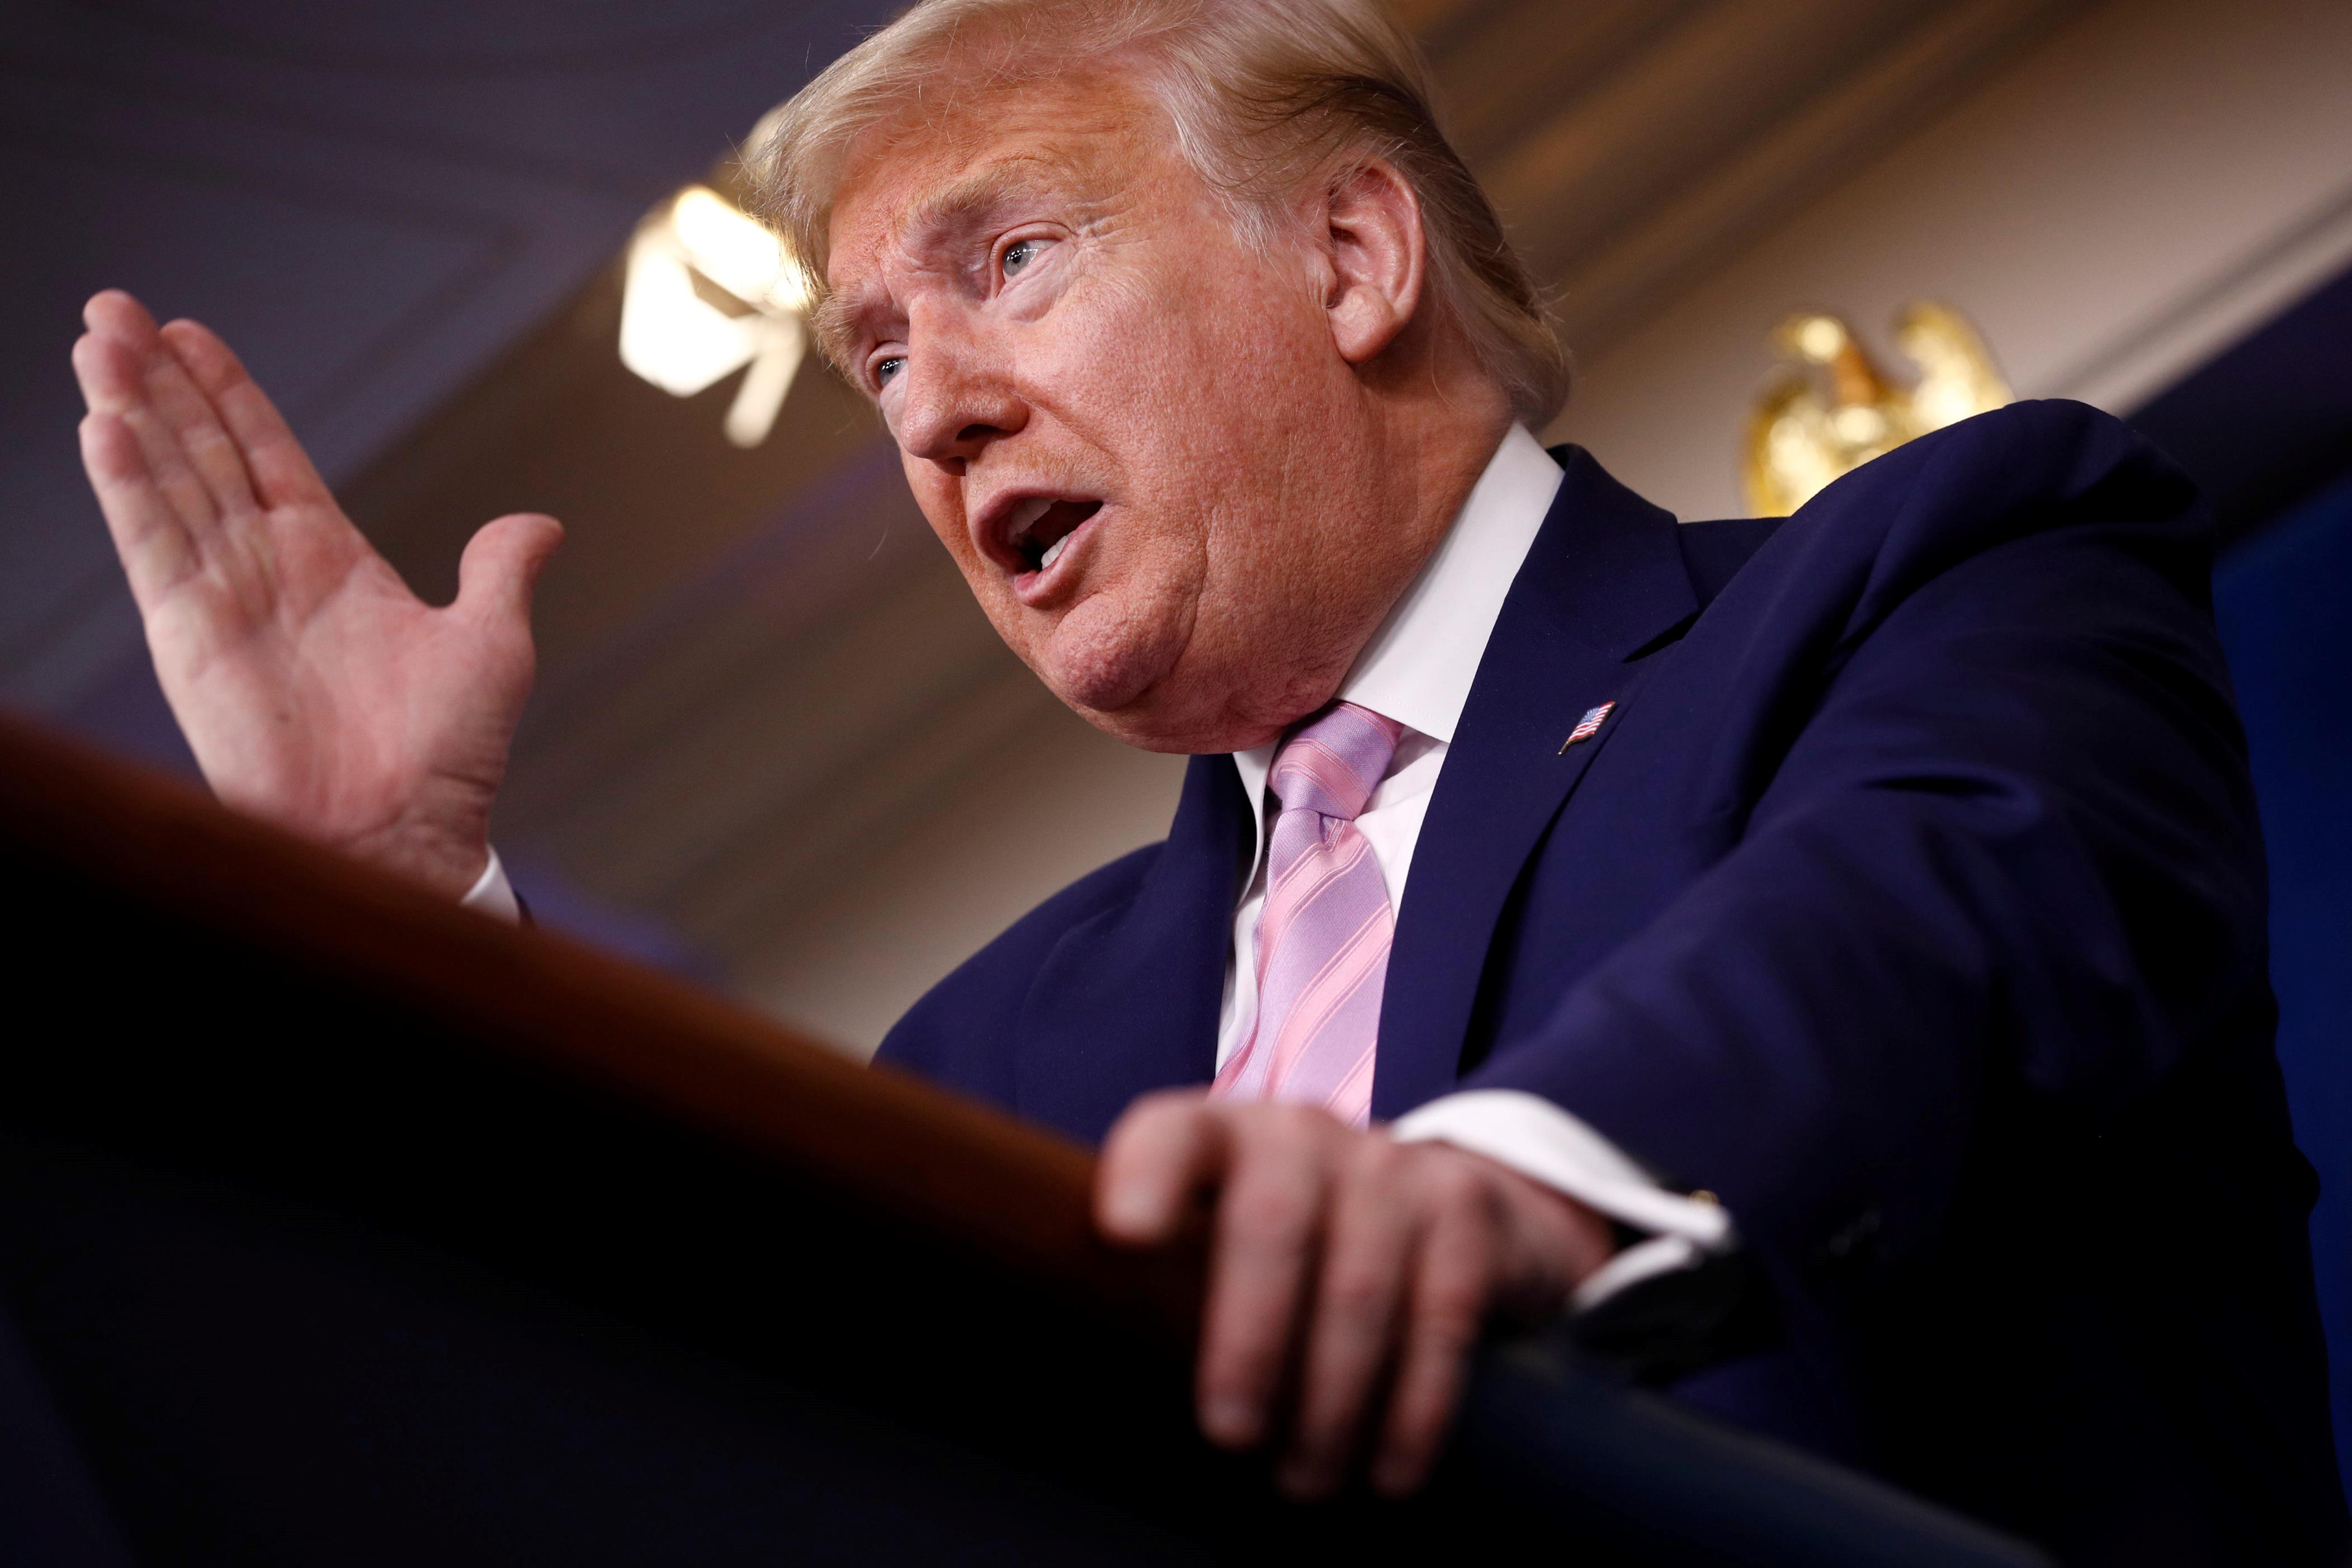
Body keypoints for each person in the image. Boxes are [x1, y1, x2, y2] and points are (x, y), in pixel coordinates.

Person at [67, 0, 2343, 1560]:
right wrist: (391, 905)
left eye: (1011, 264)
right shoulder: (985, 1057)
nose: (930, 411)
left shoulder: (1937, 574)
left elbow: (1924, 923)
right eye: (875, 358)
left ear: (1353, 253)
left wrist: (1501, 1193)